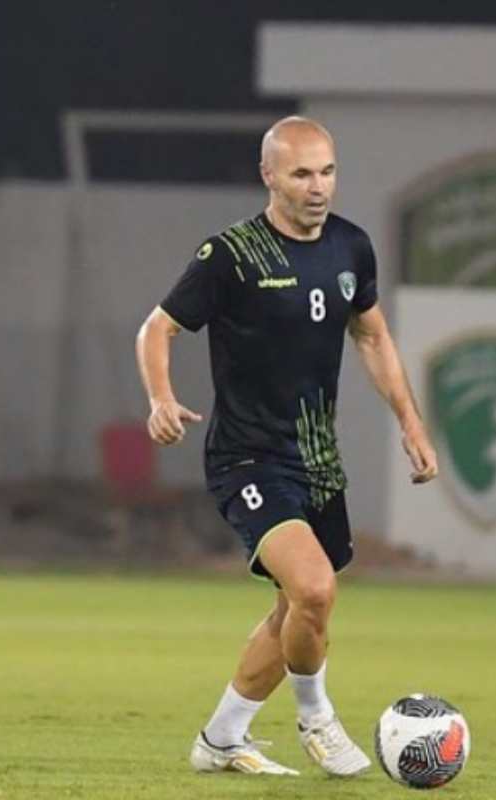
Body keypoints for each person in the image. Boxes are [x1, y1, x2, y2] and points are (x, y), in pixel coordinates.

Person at [135, 117, 439, 777]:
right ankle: (317, 719)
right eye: (301, 173)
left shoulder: (351, 248)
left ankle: (220, 739)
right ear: (268, 175)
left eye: (327, 171)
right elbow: (157, 329)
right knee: (315, 589)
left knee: (294, 608)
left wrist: (411, 424)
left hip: (315, 460)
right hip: (245, 457)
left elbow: (372, 336)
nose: (317, 186)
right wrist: (161, 398)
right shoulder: (232, 256)